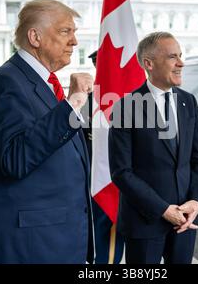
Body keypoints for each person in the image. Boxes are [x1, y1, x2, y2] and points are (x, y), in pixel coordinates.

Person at [0, 0, 94, 264]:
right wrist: (72, 104)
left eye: (74, 33)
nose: (74, 41)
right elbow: (15, 158)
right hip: (28, 243)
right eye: (65, 32)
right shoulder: (7, 82)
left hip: (49, 237)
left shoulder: (38, 79)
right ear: (35, 37)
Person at [108, 31, 198, 264]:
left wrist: (196, 201)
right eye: (173, 57)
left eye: (181, 56)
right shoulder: (126, 107)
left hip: (185, 220)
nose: (181, 63)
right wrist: (164, 209)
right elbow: (121, 172)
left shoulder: (188, 101)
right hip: (145, 222)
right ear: (149, 64)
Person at [81, 51, 125, 264]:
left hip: (126, 180)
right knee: (102, 234)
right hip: (97, 177)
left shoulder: (133, 98)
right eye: (100, 66)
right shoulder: (89, 99)